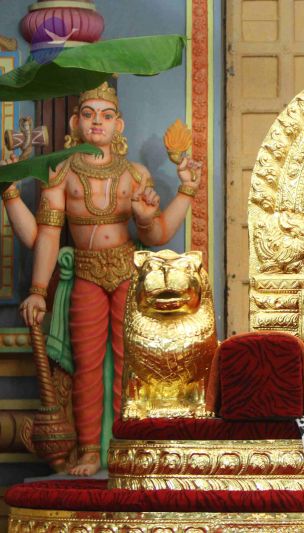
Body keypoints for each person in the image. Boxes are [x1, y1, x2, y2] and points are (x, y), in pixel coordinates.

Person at [18, 82, 201, 476]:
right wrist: (37, 291)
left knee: (128, 361)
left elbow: (157, 235)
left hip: (125, 272)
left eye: (106, 115)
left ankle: (124, 443)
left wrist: (178, 195)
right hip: (85, 271)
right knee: (86, 364)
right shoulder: (61, 173)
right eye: (88, 115)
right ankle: (89, 450)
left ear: (119, 125)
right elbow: (47, 235)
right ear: (75, 122)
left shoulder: (135, 174)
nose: (96, 122)